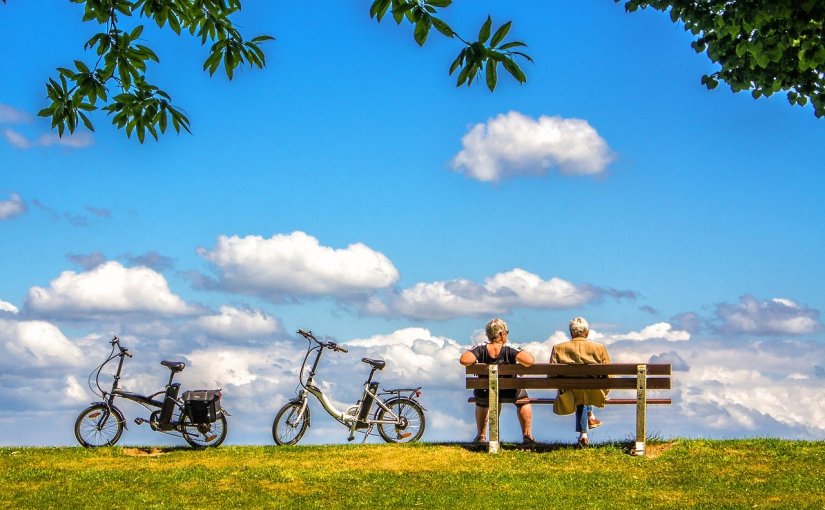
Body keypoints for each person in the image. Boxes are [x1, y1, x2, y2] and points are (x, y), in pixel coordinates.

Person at [459, 318, 536, 445]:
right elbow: (529, 361)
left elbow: (464, 360)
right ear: (501, 334)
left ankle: (481, 436)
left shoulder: (481, 348)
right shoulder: (509, 348)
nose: (507, 335)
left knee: (482, 401)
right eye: (507, 332)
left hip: (485, 392)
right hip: (509, 391)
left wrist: (474, 362)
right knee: (524, 401)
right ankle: (527, 435)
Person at [550, 316, 611, 447]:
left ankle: (584, 432)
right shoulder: (599, 348)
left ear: (571, 333)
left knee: (579, 390)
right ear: (587, 332)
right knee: (584, 390)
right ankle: (589, 420)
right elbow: (610, 375)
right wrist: (604, 391)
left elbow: (551, 375)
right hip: (593, 392)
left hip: (569, 393)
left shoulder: (558, 348)